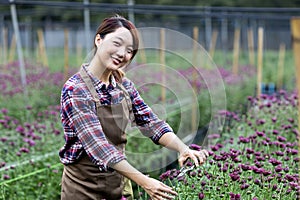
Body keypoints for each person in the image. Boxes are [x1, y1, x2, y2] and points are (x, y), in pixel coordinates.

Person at [59, 14, 208, 200]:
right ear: (99, 39)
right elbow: (100, 148)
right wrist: (145, 182)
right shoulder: (76, 89)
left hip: (119, 182)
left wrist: (182, 148)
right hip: (83, 188)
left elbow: (150, 122)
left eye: (129, 50)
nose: (122, 54)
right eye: (117, 43)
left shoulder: (124, 85)